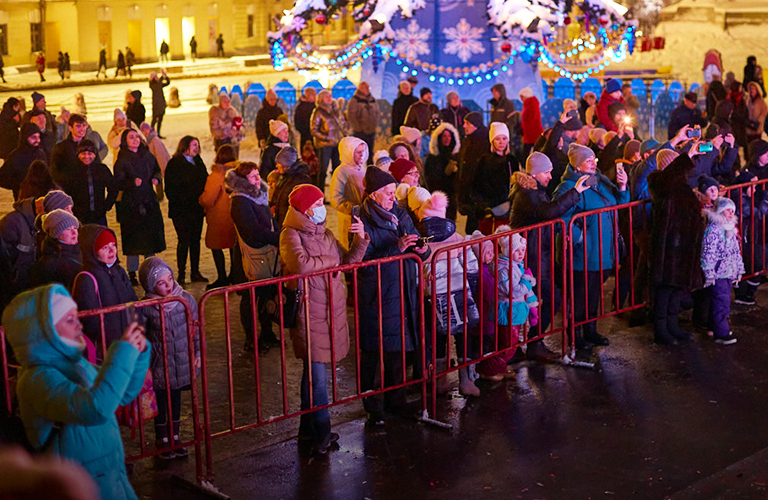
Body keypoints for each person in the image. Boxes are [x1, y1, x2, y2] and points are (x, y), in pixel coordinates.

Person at [2, 284, 150, 500]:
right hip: (81, 488)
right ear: (44, 332)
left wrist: (138, 355)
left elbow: (122, 393)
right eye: (69, 319)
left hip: (111, 479)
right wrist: (124, 352)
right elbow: (96, 408)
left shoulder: (77, 364)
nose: (79, 325)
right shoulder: (37, 380)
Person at [280, 183, 369, 453]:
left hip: (330, 311)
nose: (322, 208)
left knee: (313, 374)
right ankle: (322, 432)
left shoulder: (326, 234)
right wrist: (331, 264)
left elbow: (348, 261)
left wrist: (362, 239)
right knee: (317, 377)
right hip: (309, 313)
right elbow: (301, 265)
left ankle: (307, 432)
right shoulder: (290, 234)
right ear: (305, 209)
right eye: (317, 204)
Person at [356, 166, 429, 425]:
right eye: (387, 193)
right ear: (374, 195)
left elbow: (423, 248)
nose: (392, 198)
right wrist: (397, 248)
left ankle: (396, 399)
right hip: (379, 293)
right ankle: (373, 407)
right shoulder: (361, 220)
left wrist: (421, 247)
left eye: (393, 193)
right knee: (376, 350)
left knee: (398, 348)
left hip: (404, 289)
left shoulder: (400, 214)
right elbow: (363, 262)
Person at [509, 152, 591, 359]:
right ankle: (528, 344)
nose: (550, 176)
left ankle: (525, 344)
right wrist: (575, 192)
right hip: (529, 258)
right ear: (535, 173)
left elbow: (544, 219)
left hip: (537, 256)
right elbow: (547, 212)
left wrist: (560, 231)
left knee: (535, 300)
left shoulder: (535, 190)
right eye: (547, 172)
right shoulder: (527, 194)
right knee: (548, 299)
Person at [553, 143, 629, 349]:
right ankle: (574, 335)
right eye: (588, 160)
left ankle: (591, 330)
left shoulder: (600, 180)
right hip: (583, 253)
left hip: (602, 251)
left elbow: (619, 203)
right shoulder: (567, 187)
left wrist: (622, 187)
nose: (593, 162)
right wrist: (579, 238)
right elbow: (560, 216)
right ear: (577, 165)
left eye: (593, 158)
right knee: (579, 295)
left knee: (594, 292)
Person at [409, 189, 480, 396]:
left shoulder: (420, 241)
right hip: (458, 290)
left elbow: (414, 271)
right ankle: (465, 380)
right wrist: (471, 286)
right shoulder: (456, 236)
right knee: (463, 336)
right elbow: (471, 265)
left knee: (439, 337)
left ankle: (441, 380)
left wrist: (422, 286)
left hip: (432, 296)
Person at [137, 257, 200, 459]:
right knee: (161, 400)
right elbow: (141, 336)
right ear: (150, 285)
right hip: (158, 363)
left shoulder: (185, 300)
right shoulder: (145, 307)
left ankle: (175, 436)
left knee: (176, 397)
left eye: (170, 279)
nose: (168, 286)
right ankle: (162, 438)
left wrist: (198, 352)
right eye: (161, 283)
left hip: (179, 360)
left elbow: (196, 329)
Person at [647, 145, 707, 344]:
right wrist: (686, 156)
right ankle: (661, 329)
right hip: (669, 246)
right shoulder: (659, 182)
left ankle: (672, 325)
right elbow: (667, 182)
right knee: (665, 289)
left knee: (676, 288)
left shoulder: (682, 186)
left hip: (682, 245)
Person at [226, 161, 281, 352]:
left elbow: (270, 222)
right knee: (250, 298)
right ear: (244, 181)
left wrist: (280, 234)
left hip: (266, 253)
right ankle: (251, 339)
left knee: (267, 295)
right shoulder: (240, 201)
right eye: (253, 176)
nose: (258, 179)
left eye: (258, 174)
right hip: (249, 255)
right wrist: (276, 237)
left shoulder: (259, 195)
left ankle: (267, 331)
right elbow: (252, 232)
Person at [477, 231, 536, 380]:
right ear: (508, 251)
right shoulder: (504, 269)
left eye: (522, 250)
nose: (521, 253)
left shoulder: (514, 265)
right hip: (508, 310)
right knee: (509, 347)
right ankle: (488, 370)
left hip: (513, 310)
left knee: (504, 343)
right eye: (516, 250)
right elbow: (514, 292)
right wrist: (527, 282)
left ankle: (499, 367)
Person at [71, 224, 137, 351]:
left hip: (127, 342)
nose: (112, 251)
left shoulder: (119, 271)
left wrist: (136, 329)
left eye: (113, 245)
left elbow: (133, 302)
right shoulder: (86, 278)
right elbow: (90, 320)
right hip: (106, 348)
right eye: (105, 247)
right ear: (93, 253)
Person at [114, 128, 166, 285]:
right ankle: (132, 273)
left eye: (137, 136)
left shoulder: (147, 155)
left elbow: (157, 170)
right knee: (133, 241)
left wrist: (156, 179)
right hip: (131, 205)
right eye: (131, 137)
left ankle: (151, 268)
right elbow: (117, 182)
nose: (136, 139)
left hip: (148, 202)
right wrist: (131, 183)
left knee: (150, 239)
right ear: (125, 141)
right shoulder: (122, 160)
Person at [164, 136, 208, 284]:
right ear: (185, 146)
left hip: (196, 209)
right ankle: (181, 273)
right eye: (193, 145)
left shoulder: (198, 161)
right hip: (181, 211)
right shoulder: (174, 163)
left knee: (195, 241)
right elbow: (170, 188)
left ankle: (195, 272)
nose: (196, 148)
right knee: (184, 240)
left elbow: (205, 180)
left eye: (198, 144)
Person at [701, 197, 744, 345]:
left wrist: (739, 269)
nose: (731, 213)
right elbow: (708, 253)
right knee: (722, 302)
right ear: (720, 211)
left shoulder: (730, 229)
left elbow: (736, 252)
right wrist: (709, 273)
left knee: (720, 300)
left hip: (728, 271)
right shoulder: (713, 231)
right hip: (719, 273)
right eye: (728, 210)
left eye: (733, 211)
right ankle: (722, 332)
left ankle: (714, 327)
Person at [198, 145, 238, 290]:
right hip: (234, 215)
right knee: (233, 246)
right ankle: (234, 274)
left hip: (218, 217)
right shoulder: (238, 172)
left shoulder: (216, 175)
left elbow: (208, 198)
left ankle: (222, 277)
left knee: (216, 246)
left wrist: (201, 200)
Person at [471, 122, 518, 232]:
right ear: (492, 141)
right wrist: (483, 206)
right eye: (497, 139)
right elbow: (476, 186)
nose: (501, 142)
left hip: (508, 208)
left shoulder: (512, 160)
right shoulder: (483, 161)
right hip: (489, 209)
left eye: (504, 138)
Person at [58, 140, 117, 226]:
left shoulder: (102, 169)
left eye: (90, 154)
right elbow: (66, 192)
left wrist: (107, 206)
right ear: (78, 154)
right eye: (83, 153)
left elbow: (113, 188)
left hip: (99, 215)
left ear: (94, 155)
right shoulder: (72, 171)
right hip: (79, 216)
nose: (86, 157)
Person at [28, 209, 82, 290]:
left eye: (75, 228)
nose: (74, 232)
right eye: (68, 229)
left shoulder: (82, 251)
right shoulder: (49, 265)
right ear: (56, 234)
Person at [330, 137, 368, 248]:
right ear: (349, 153)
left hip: (363, 216)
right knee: (350, 246)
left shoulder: (362, 169)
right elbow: (336, 198)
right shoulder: (341, 172)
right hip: (349, 218)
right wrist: (352, 209)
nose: (362, 155)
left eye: (363, 151)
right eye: (358, 152)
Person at [0, 194, 40, 294]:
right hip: (14, 287)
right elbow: (5, 259)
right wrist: (13, 278)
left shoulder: (36, 225)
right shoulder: (12, 222)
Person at [457, 112, 489, 233]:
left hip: (478, 194)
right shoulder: (467, 141)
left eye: (467, 123)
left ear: (476, 125)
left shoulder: (484, 143)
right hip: (468, 192)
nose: (464, 126)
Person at [423, 122, 460, 220]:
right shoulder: (432, 157)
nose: (447, 138)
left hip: (452, 198)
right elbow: (430, 178)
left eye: (449, 136)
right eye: (444, 136)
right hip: (437, 198)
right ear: (439, 138)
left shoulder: (456, 156)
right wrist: (445, 173)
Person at [0, 123, 46, 200]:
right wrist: (19, 185)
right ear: (25, 137)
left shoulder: (40, 153)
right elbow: (2, 178)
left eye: (38, 137)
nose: (37, 140)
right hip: (22, 199)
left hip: (40, 198)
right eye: (33, 137)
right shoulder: (16, 155)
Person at [271, 146, 313, 226]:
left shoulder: (301, 179)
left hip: (292, 225)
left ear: (285, 164)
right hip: (282, 222)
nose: (276, 166)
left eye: (278, 163)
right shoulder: (285, 176)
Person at [311, 89, 343, 191]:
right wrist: (326, 138)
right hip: (324, 145)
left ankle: (336, 192)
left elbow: (340, 125)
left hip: (336, 143)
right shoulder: (318, 111)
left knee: (337, 169)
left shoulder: (334, 111)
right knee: (323, 169)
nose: (329, 98)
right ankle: (320, 193)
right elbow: (313, 130)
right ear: (321, 99)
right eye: (326, 96)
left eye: (330, 96)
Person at [49, 114, 88, 186]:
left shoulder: (90, 146)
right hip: (68, 188)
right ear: (70, 128)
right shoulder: (61, 148)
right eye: (78, 126)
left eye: (84, 125)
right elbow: (54, 172)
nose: (82, 129)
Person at [347, 81, 379, 155]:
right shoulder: (355, 100)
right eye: (366, 88)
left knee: (370, 152)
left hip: (371, 130)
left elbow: (377, 113)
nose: (368, 89)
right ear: (360, 89)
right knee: (360, 152)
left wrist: (374, 125)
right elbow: (351, 115)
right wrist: (358, 128)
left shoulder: (372, 100)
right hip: (360, 132)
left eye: (368, 87)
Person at [209, 92, 242, 156]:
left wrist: (237, 133)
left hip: (233, 141)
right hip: (221, 141)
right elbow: (213, 130)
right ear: (220, 102)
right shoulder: (215, 112)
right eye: (224, 102)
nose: (227, 103)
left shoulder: (233, 111)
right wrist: (226, 132)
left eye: (228, 101)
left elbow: (239, 126)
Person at [519, 87, 543, 157]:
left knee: (527, 152)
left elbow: (532, 119)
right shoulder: (528, 104)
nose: (521, 99)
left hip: (532, 133)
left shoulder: (531, 104)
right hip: (530, 133)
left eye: (522, 97)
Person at [149, 71, 170, 138]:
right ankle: (151, 132)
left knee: (160, 119)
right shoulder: (153, 85)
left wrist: (165, 76)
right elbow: (158, 85)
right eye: (156, 76)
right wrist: (162, 77)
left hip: (161, 103)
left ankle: (158, 133)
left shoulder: (158, 83)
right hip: (156, 104)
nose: (157, 77)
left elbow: (167, 83)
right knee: (154, 119)